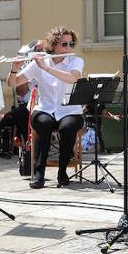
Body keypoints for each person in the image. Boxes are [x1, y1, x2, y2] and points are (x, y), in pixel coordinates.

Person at [17, 27, 84, 188]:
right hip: (45, 109)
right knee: (42, 123)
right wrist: (15, 67)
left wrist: (46, 68)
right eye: (64, 44)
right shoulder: (40, 62)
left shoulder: (76, 61)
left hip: (70, 110)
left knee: (68, 128)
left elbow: (72, 78)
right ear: (54, 45)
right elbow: (14, 83)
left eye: (71, 44)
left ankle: (62, 171)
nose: (68, 48)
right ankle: (39, 173)